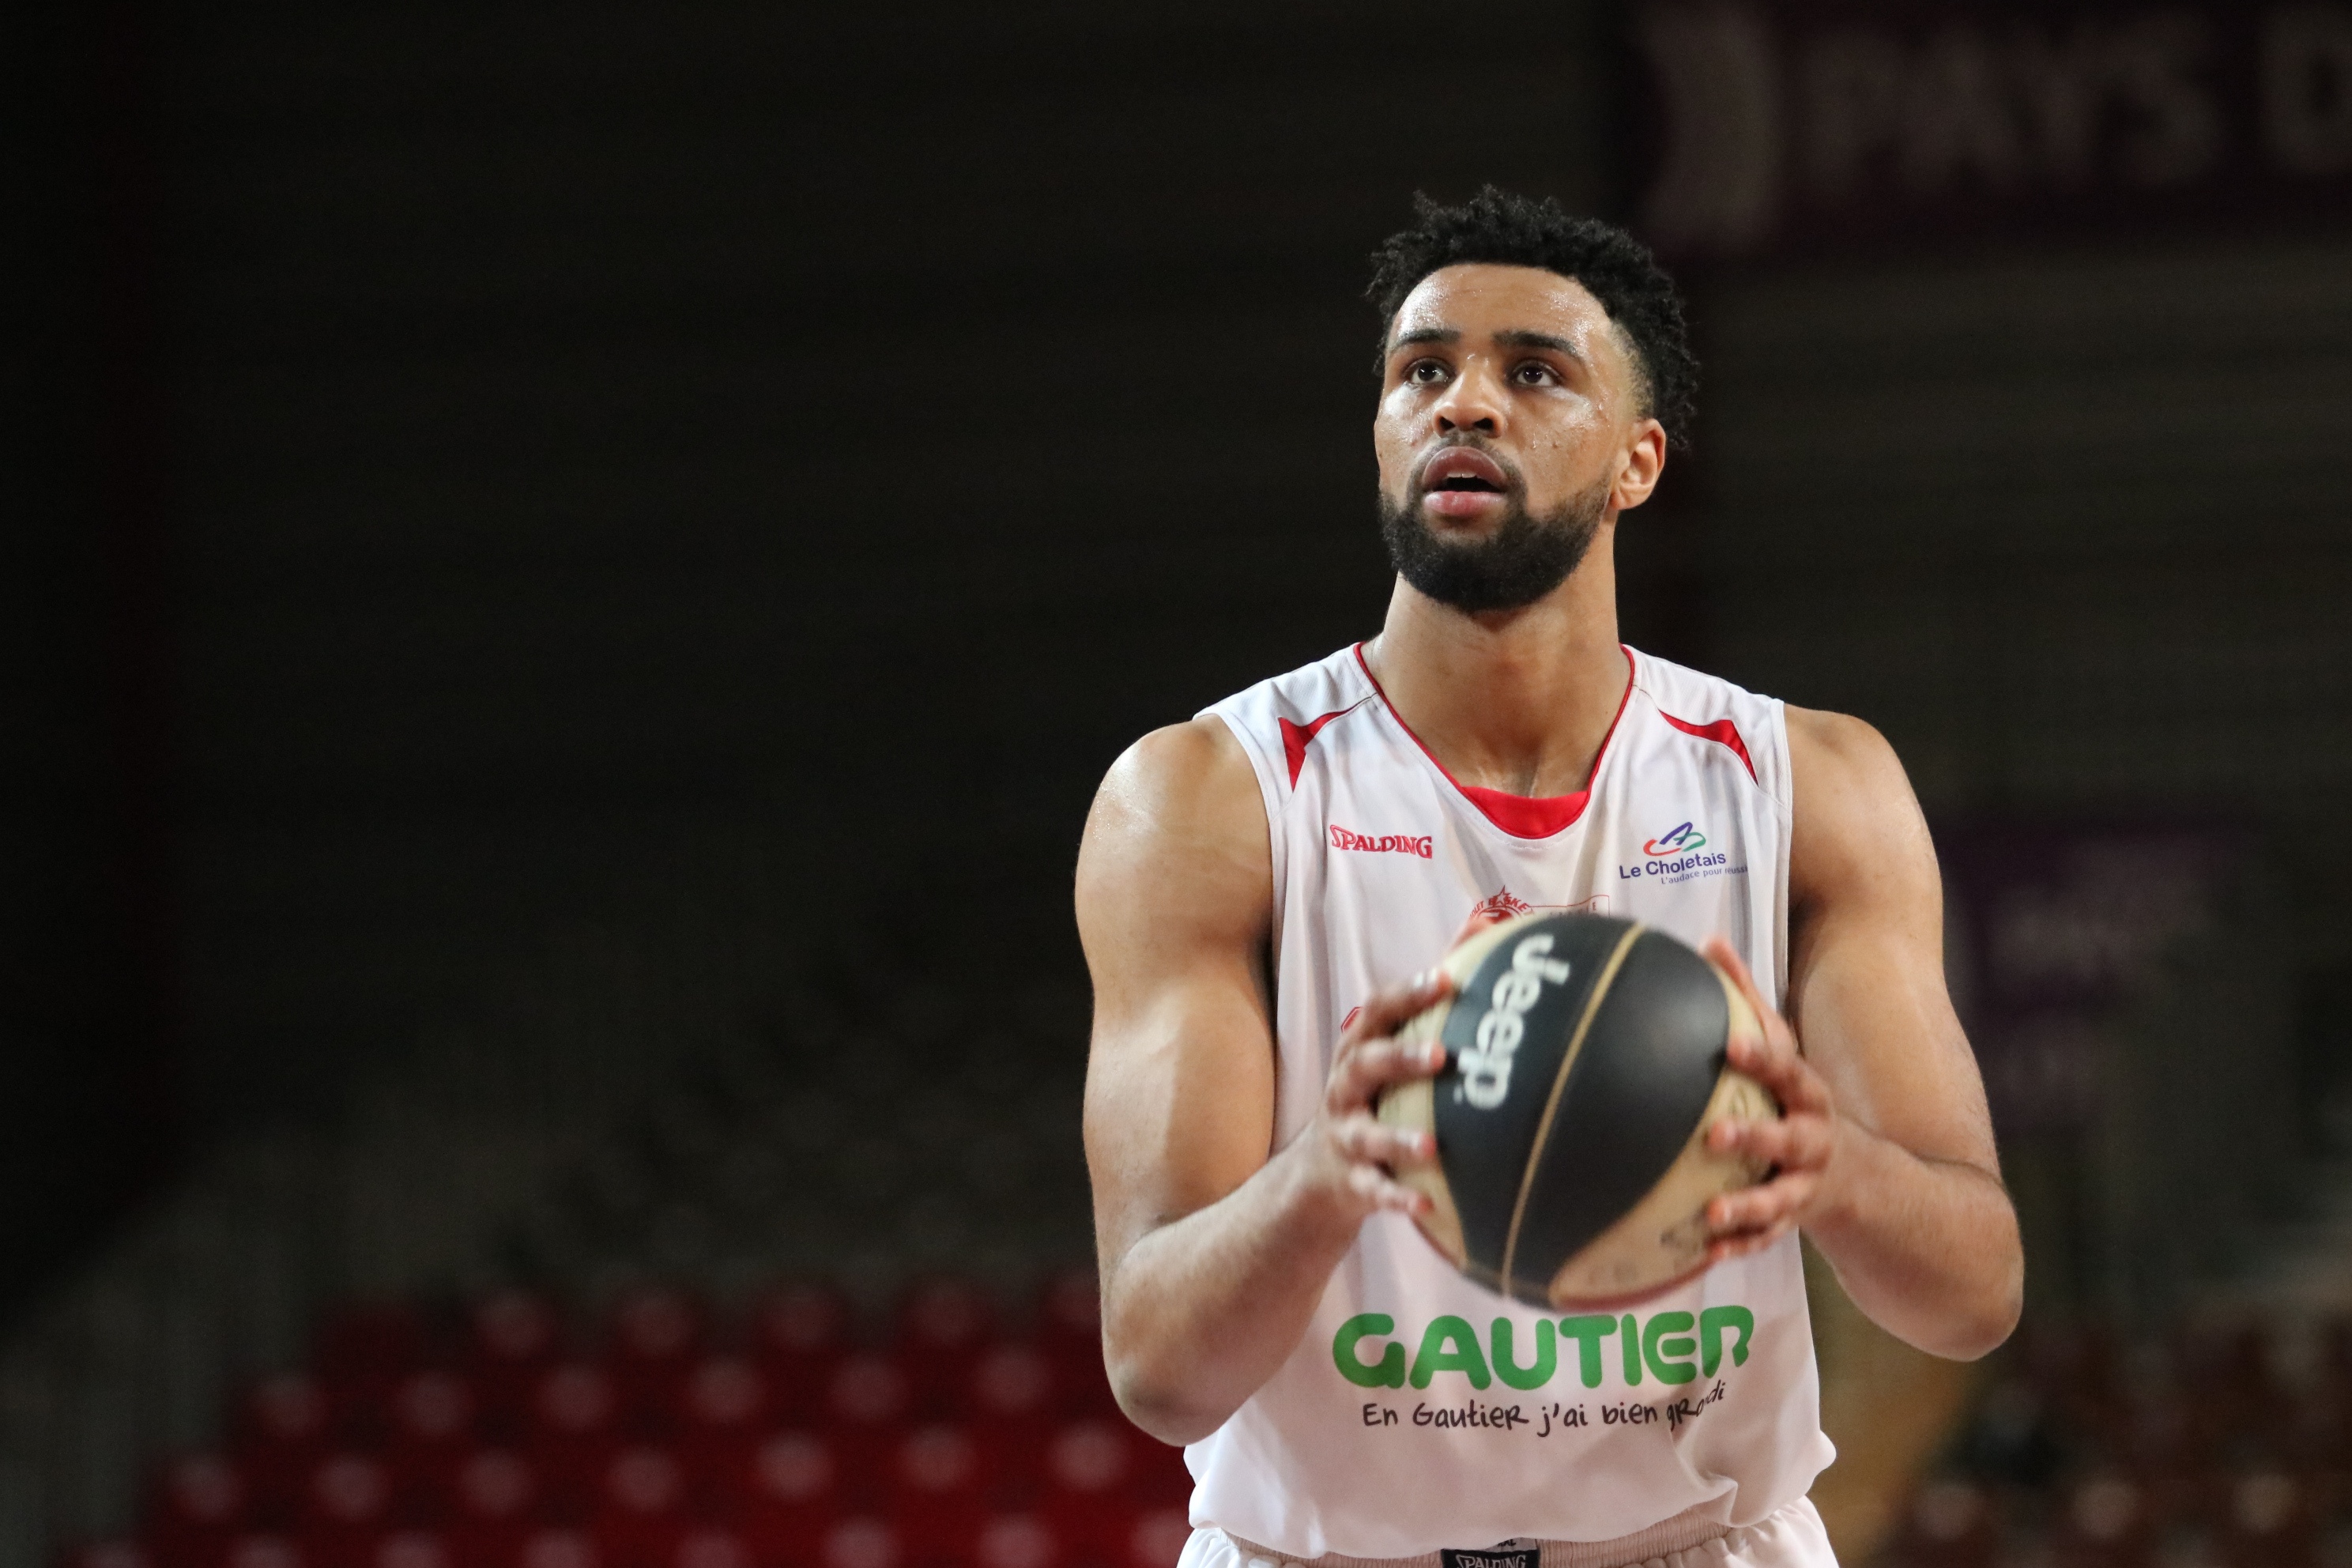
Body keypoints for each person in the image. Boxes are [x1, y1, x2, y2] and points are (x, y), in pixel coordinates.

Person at [1073, 187, 2022, 1568]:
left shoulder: (1807, 783)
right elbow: (1160, 1370)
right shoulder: (1204, 798)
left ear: (1637, 463)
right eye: (1422, 371)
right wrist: (1330, 1173)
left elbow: (1974, 1296)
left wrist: (1829, 1167)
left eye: (1533, 371)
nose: (1462, 404)